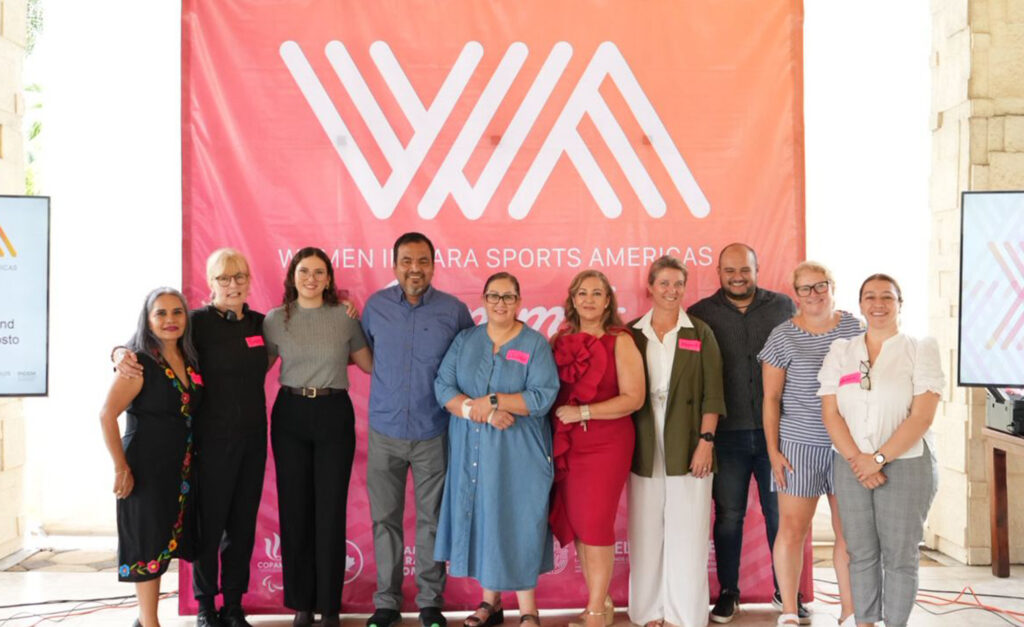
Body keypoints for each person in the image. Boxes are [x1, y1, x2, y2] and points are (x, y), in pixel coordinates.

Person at [115, 249, 271, 627]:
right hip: (209, 443)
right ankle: (205, 606)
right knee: (208, 527)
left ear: (249, 280)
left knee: (242, 527)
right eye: (223, 278)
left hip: (253, 441)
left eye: (239, 277)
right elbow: (144, 344)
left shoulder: (262, 324)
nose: (232, 285)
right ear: (210, 282)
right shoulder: (194, 323)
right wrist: (118, 351)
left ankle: (233, 605)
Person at [433, 272, 560, 627]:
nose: (500, 303)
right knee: (484, 517)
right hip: (472, 448)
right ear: (484, 301)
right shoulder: (465, 341)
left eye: (508, 297)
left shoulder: (534, 343)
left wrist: (492, 400)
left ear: (519, 302)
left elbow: (542, 395)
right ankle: (489, 604)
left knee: (519, 521)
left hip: (519, 453)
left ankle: (528, 610)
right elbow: (443, 386)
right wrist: (480, 412)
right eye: (493, 296)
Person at [361, 233, 475, 627]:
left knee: (431, 520)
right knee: (385, 520)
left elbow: (470, 362)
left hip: (434, 431)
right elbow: (366, 356)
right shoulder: (375, 307)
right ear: (394, 265)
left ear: (433, 264)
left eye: (423, 261)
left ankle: (430, 603)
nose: (415, 269)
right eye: (407, 261)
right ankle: (386, 603)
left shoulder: (453, 311)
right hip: (384, 431)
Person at [819, 274, 942, 627]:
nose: (878, 304)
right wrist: (860, 461)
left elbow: (922, 417)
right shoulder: (842, 351)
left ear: (900, 304)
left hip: (905, 464)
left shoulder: (920, 349)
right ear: (860, 305)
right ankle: (865, 622)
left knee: (900, 555)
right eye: (870, 297)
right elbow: (831, 412)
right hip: (850, 464)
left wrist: (877, 459)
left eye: (887, 297)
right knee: (860, 553)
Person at [687, 243, 799, 623]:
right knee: (729, 516)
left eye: (745, 270)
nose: (738, 277)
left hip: (779, 435)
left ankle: (788, 592)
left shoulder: (784, 307)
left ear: (756, 269)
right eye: (730, 270)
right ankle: (729, 592)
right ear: (718, 272)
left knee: (778, 515)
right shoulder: (700, 314)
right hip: (727, 434)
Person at [263, 246, 373, 627]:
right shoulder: (275, 321)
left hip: (333, 414)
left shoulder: (344, 318)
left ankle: (329, 607)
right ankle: (302, 605)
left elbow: (369, 363)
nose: (311, 278)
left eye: (319, 272)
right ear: (292, 275)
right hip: (290, 414)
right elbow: (251, 367)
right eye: (304, 271)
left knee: (329, 512)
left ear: (329, 279)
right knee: (295, 510)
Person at [758, 262, 861, 626]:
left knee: (849, 533)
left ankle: (849, 611)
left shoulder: (855, 328)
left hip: (848, 446)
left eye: (820, 286)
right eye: (805, 289)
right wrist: (773, 451)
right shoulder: (782, 336)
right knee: (791, 529)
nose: (814, 294)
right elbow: (770, 399)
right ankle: (788, 609)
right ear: (795, 294)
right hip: (799, 445)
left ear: (832, 286)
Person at [627, 256, 725, 627]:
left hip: (690, 444)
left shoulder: (700, 333)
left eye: (678, 284)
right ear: (649, 287)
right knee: (646, 532)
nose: (671, 291)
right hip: (644, 445)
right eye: (664, 283)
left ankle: (685, 615)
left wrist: (706, 441)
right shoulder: (632, 334)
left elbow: (713, 393)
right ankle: (650, 611)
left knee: (689, 532)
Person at [100, 287, 203, 627]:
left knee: (160, 543)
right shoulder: (138, 362)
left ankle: (145, 620)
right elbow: (106, 415)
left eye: (177, 312)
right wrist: (121, 467)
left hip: (178, 468)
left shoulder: (189, 358)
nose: (170, 320)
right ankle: (150, 622)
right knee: (145, 544)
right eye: (161, 313)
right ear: (147, 320)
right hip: (144, 467)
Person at [549, 269, 645, 627]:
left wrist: (584, 411)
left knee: (596, 523)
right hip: (569, 443)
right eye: (582, 293)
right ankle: (599, 601)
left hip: (607, 444)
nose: (588, 299)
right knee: (579, 525)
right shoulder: (557, 341)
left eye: (596, 293)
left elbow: (634, 399)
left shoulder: (620, 340)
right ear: (573, 300)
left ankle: (594, 613)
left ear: (608, 301)